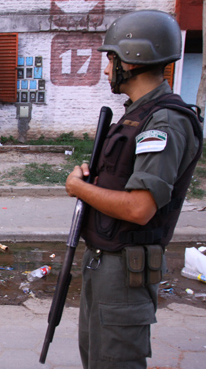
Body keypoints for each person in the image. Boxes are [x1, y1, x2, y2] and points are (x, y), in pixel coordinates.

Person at [64, 10, 203, 369]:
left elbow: (139, 208)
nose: (108, 70)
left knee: (114, 362)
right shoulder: (137, 115)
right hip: (105, 260)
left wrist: (79, 188)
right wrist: (92, 180)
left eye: (111, 59)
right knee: (96, 358)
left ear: (132, 58)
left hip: (124, 270)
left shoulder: (165, 120)